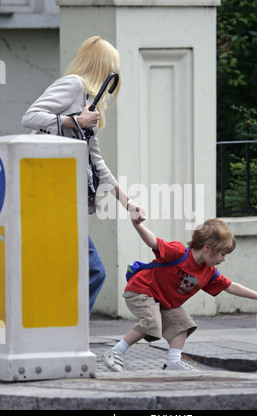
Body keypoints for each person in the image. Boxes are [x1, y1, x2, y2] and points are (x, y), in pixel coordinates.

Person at [21, 36, 145, 316]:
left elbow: (96, 160)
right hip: (45, 192)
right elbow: (30, 116)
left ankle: (61, 327)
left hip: (62, 197)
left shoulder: (90, 99)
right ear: (103, 66)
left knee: (79, 271)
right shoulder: (73, 85)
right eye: (113, 68)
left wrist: (128, 204)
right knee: (93, 271)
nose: (115, 76)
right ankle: (66, 329)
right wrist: (74, 121)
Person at [102, 218, 257, 372]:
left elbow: (230, 286)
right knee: (151, 322)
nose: (223, 259)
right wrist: (137, 225)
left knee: (183, 324)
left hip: (163, 301)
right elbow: (153, 242)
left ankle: (173, 363)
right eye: (222, 254)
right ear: (207, 248)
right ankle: (116, 351)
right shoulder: (179, 252)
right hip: (141, 290)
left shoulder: (208, 272)